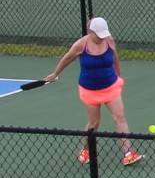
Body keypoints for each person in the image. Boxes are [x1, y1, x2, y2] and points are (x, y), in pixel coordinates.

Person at [44, 16, 141, 166]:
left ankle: (128, 153)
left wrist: (119, 75)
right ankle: (85, 150)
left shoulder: (108, 40)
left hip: (110, 86)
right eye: (98, 34)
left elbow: (114, 57)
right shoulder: (81, 45)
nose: (102, 37)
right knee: (94, 124)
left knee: (120, 117)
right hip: (90, 90)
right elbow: (67, 58)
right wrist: (55, 74)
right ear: (91, 32)